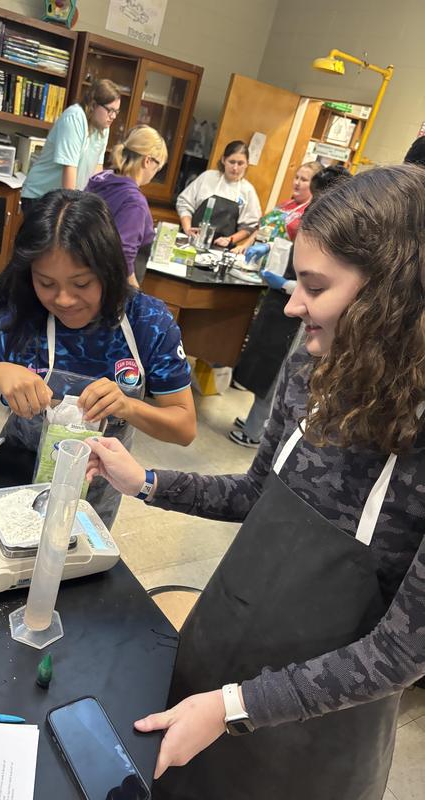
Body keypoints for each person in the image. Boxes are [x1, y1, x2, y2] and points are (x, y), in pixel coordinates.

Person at [83, 164, 425, 799]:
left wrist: (234, 707)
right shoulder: (313, 364)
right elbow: (253, 493)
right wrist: (147, 481)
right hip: (222, 653)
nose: (293, 305)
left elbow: (399, 655)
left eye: (315, 287)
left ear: (392, 298)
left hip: (317, 731)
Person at [0, 190, 196, 529]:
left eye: (82, 283)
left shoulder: (147, 321)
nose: (63, 299)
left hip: (96, 489)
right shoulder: (15, 317)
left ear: (109, 270)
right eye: (46, 283)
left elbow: (184, 427)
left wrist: (127, 406)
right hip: (14, 474)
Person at [229, 165, 351, 449]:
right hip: (282, 305)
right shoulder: (305, 213)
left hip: (300, 319)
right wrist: (271, 251)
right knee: (270, 368)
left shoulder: (338, 231)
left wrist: (286, 286)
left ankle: (257, 430)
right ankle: (256, 423)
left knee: (282, 372)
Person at [20, 79, 121, 211]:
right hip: (40, 196)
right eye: (110, 110)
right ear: (94, 105)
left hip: (63, 198)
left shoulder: (103, 127)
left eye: (116, 112)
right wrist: (72, 211)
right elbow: (69, 169)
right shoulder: (75, 117)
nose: (113, 116)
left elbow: (96, 171)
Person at [86, 125, 168, 288]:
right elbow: (123, 257)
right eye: (158, 167)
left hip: (85, 276)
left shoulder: (101, 180)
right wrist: (135, 294)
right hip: (108, 287)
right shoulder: (134, 201)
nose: (155, 172)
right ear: (147, 160)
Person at [175, 140, 261, 248]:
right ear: (223, 160)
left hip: (221, 248)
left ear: (247, 164)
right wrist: (187, 229)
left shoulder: (248, 191)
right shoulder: (207, 178)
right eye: (232, 162)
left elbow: (249, 227)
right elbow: (184, 203)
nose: (235, 168)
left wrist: (229, 239)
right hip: (191, 240)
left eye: (240, 163)